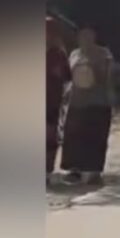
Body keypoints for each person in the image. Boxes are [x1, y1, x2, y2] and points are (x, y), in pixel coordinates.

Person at [60, 27, 114, 185]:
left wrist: (92, 64)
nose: (85, 38)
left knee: (96, 137)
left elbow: (106, 76)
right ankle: (74, 170)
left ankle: (94, 171)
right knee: (74, 136)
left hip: (98, 101)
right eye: (82, 35)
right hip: (77, 102)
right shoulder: (74, 54)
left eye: (88, 35)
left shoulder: (103, 54)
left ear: (94, 36)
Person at [46, 17, 71, 183]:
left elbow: (68, 78)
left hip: (51, 102)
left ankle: (46, 171)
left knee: (49, 137)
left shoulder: (58, 54)